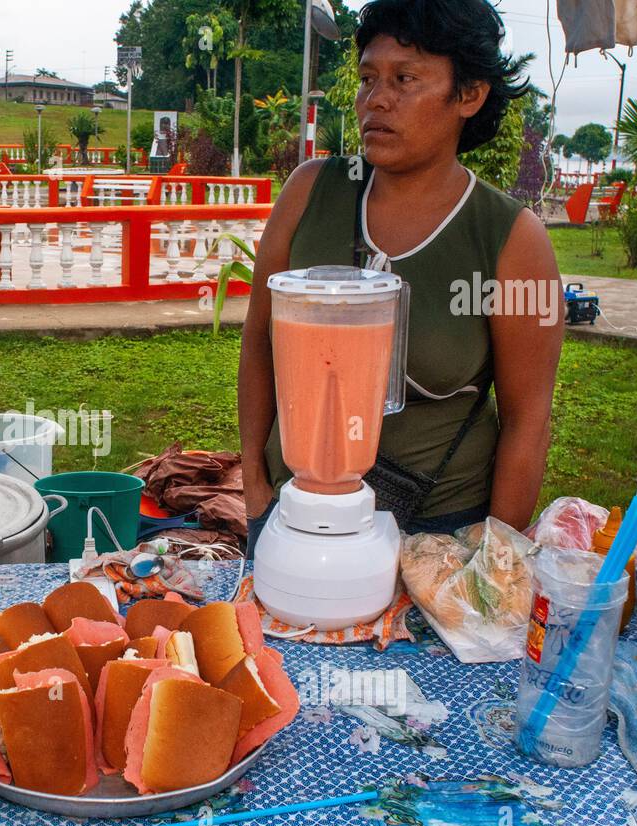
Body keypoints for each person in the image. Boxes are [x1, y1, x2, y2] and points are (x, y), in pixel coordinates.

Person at [240, 0, 563, 557]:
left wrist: (492, 557)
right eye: (369, 79)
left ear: (469, 95)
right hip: (293, 514)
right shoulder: (310, 192)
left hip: (437, 532)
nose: (376, 100)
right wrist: (254, 489)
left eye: (405, 79)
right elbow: (259, 343)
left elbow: (527, 420)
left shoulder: (512, 240)